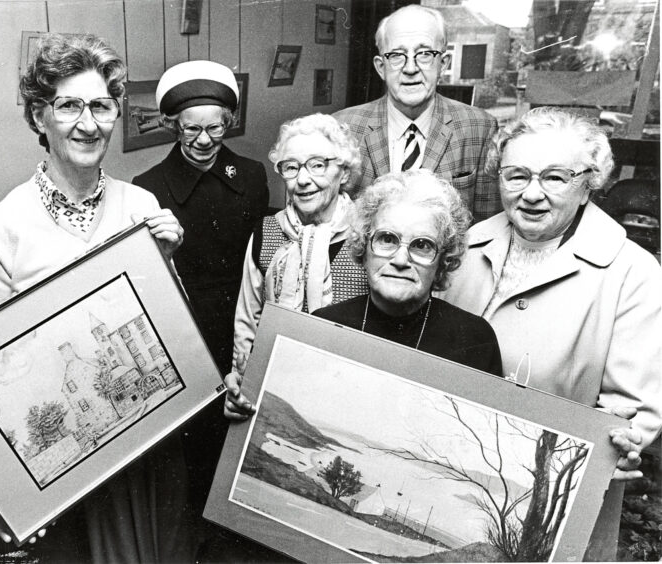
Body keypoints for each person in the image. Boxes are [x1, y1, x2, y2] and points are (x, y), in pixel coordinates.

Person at [0, 33, 191, 562]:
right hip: (74, 453)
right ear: (38, 117)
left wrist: (166, 264)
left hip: (147, 438)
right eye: (69, 105)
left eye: (101, 106)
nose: (88, 124)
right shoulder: (4, 225)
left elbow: (174, 337)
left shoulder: (141, 204)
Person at [440, 106, 661, 560]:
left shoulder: (633, 272)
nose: (532, 194)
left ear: (588, 185)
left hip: (556, 492)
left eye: (555, 178)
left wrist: (615, 444)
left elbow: (633, 411)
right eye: (516, 175)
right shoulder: (466, 245)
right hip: (454, 470)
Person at [131, 60, 269, 543]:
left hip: (248, 320)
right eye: (191, 129)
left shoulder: (252, 176)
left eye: (215, 127)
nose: (204, 140)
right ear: (173, 125)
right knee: (193, 445)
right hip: (188, 328)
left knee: (245, 432)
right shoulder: (148, 189)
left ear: (229, 122)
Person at [226, 113, 368, 419]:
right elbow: (247, 324)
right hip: (276, 388)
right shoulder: (266, 232)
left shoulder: (369, 237)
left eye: (317, 165)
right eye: (291, 167)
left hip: (348, 393)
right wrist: (245, 384)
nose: (302, 179)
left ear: (343, 173)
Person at [313, 170, 502, 376]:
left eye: (421, 245)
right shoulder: (322, 327)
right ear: (363, 248)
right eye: (387, 239)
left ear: (443, 261)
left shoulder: (475, 340)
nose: (401, 260)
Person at [333, 4, 500, 222]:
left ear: (443, 63)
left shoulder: (479, 127)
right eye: (397, 55)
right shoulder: (343, 128)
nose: (410, 68)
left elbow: (485, 229)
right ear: (380, 67)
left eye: (424, 54)